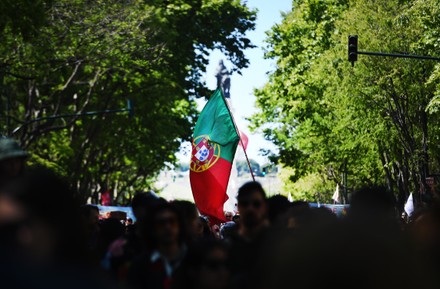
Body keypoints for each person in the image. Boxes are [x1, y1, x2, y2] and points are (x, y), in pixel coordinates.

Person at [127, 202, 187, 289]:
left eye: (172, 221)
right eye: (161, 223)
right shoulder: (140, 266)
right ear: (153, 228)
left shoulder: (195, 260)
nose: (167, 227)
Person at [228, 181, 269, 289]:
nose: (250, 209)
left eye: (256, 204)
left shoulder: (279, 244)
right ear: (238, 207)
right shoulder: (227, 247)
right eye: (245, 204)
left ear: (264, 206)